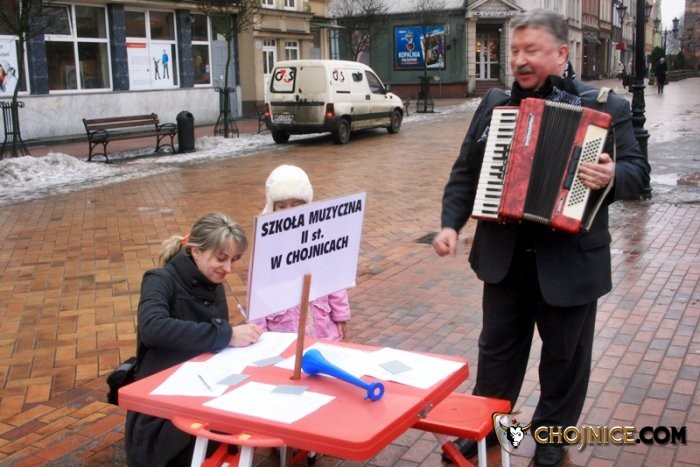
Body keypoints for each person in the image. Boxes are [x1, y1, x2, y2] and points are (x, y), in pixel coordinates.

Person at [432, 9, 650, 467]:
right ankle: (490, 430)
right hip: (504, 259)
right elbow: (465, 173)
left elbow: (638, 171)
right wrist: (451, 223)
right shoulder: (495, 106)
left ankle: (551, 443)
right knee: (497, 358)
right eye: (514, 50)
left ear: (561, 53)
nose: (519, 60)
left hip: (570, 264)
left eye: (531, 50)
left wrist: (612, 175)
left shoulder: (606, 107)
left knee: (565, 363)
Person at [125, 212, 264, 466]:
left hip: (203, 389)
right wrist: (227, 334)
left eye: (233, 260)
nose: (228, 268)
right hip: (160, 408)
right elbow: (152, 328)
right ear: (196, 251)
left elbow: (214, 341)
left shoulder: (213, 280)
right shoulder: (159, 280)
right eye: (221, 258)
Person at [251, 164, 351, 341]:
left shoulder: (320, 237)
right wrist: (261, 332)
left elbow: (334, 277)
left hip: (322, 327)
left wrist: (340, 314)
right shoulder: (266, 247)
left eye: (296, 205)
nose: (290, 211)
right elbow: (257, 293)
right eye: (282, 206)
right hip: (284, 331)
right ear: (273, 207)